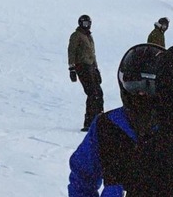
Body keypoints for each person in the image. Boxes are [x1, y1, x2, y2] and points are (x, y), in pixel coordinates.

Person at [68, 43, 164, 196]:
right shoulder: (107, 125)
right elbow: (82, 176)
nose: (141, 93)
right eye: (134, 85)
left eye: (149, 86)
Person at [68, 14, 103, 131]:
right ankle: (89, 122)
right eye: (84, 23)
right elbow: (71, 51)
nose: (86, 26)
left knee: (98, 92)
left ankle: (99, 119)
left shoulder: (89, 36)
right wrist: (71, 68)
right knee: (92, 93)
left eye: (88, 23)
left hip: (91, 66)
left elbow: (92, 54)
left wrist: (96, 68)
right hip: (82, 66)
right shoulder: (76, 35)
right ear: (80, 23)